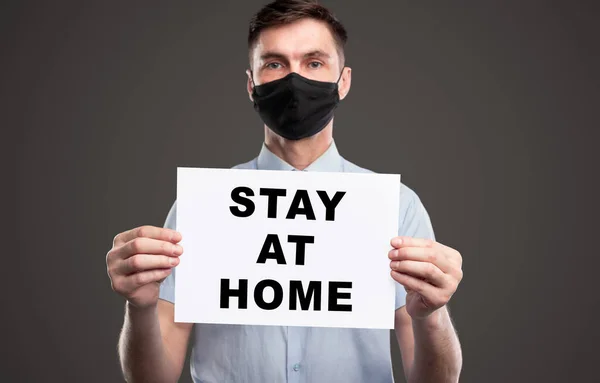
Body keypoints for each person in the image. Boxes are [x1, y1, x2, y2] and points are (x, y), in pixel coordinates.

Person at [106, 1, 464, 382]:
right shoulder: (204, 207)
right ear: (252, 85)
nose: (294, 81)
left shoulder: (396, 207)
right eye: (274, 64)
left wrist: (432, 315)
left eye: (314, 63)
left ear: (343, 81)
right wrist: (140, 309)